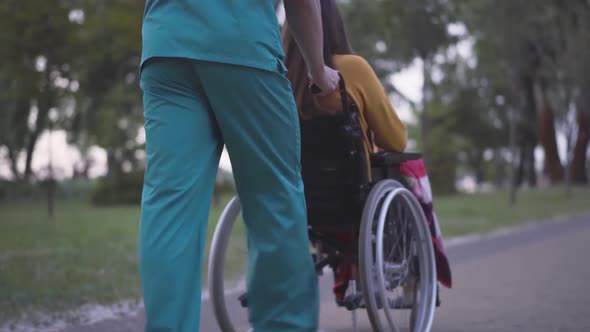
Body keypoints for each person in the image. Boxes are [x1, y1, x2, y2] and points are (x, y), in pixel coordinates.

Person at [139, 1, 339, 331]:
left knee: (169, 205)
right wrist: (318, 70)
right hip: (242, 42)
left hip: (166, 45)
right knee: (274, 198)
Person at [282, 0, 452, 303]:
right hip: (349, 194)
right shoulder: (351, 69)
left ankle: (354, 275)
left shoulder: (279, 77)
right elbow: (395, 140)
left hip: (296, 196)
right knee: (404, 172)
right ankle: (413, 278)